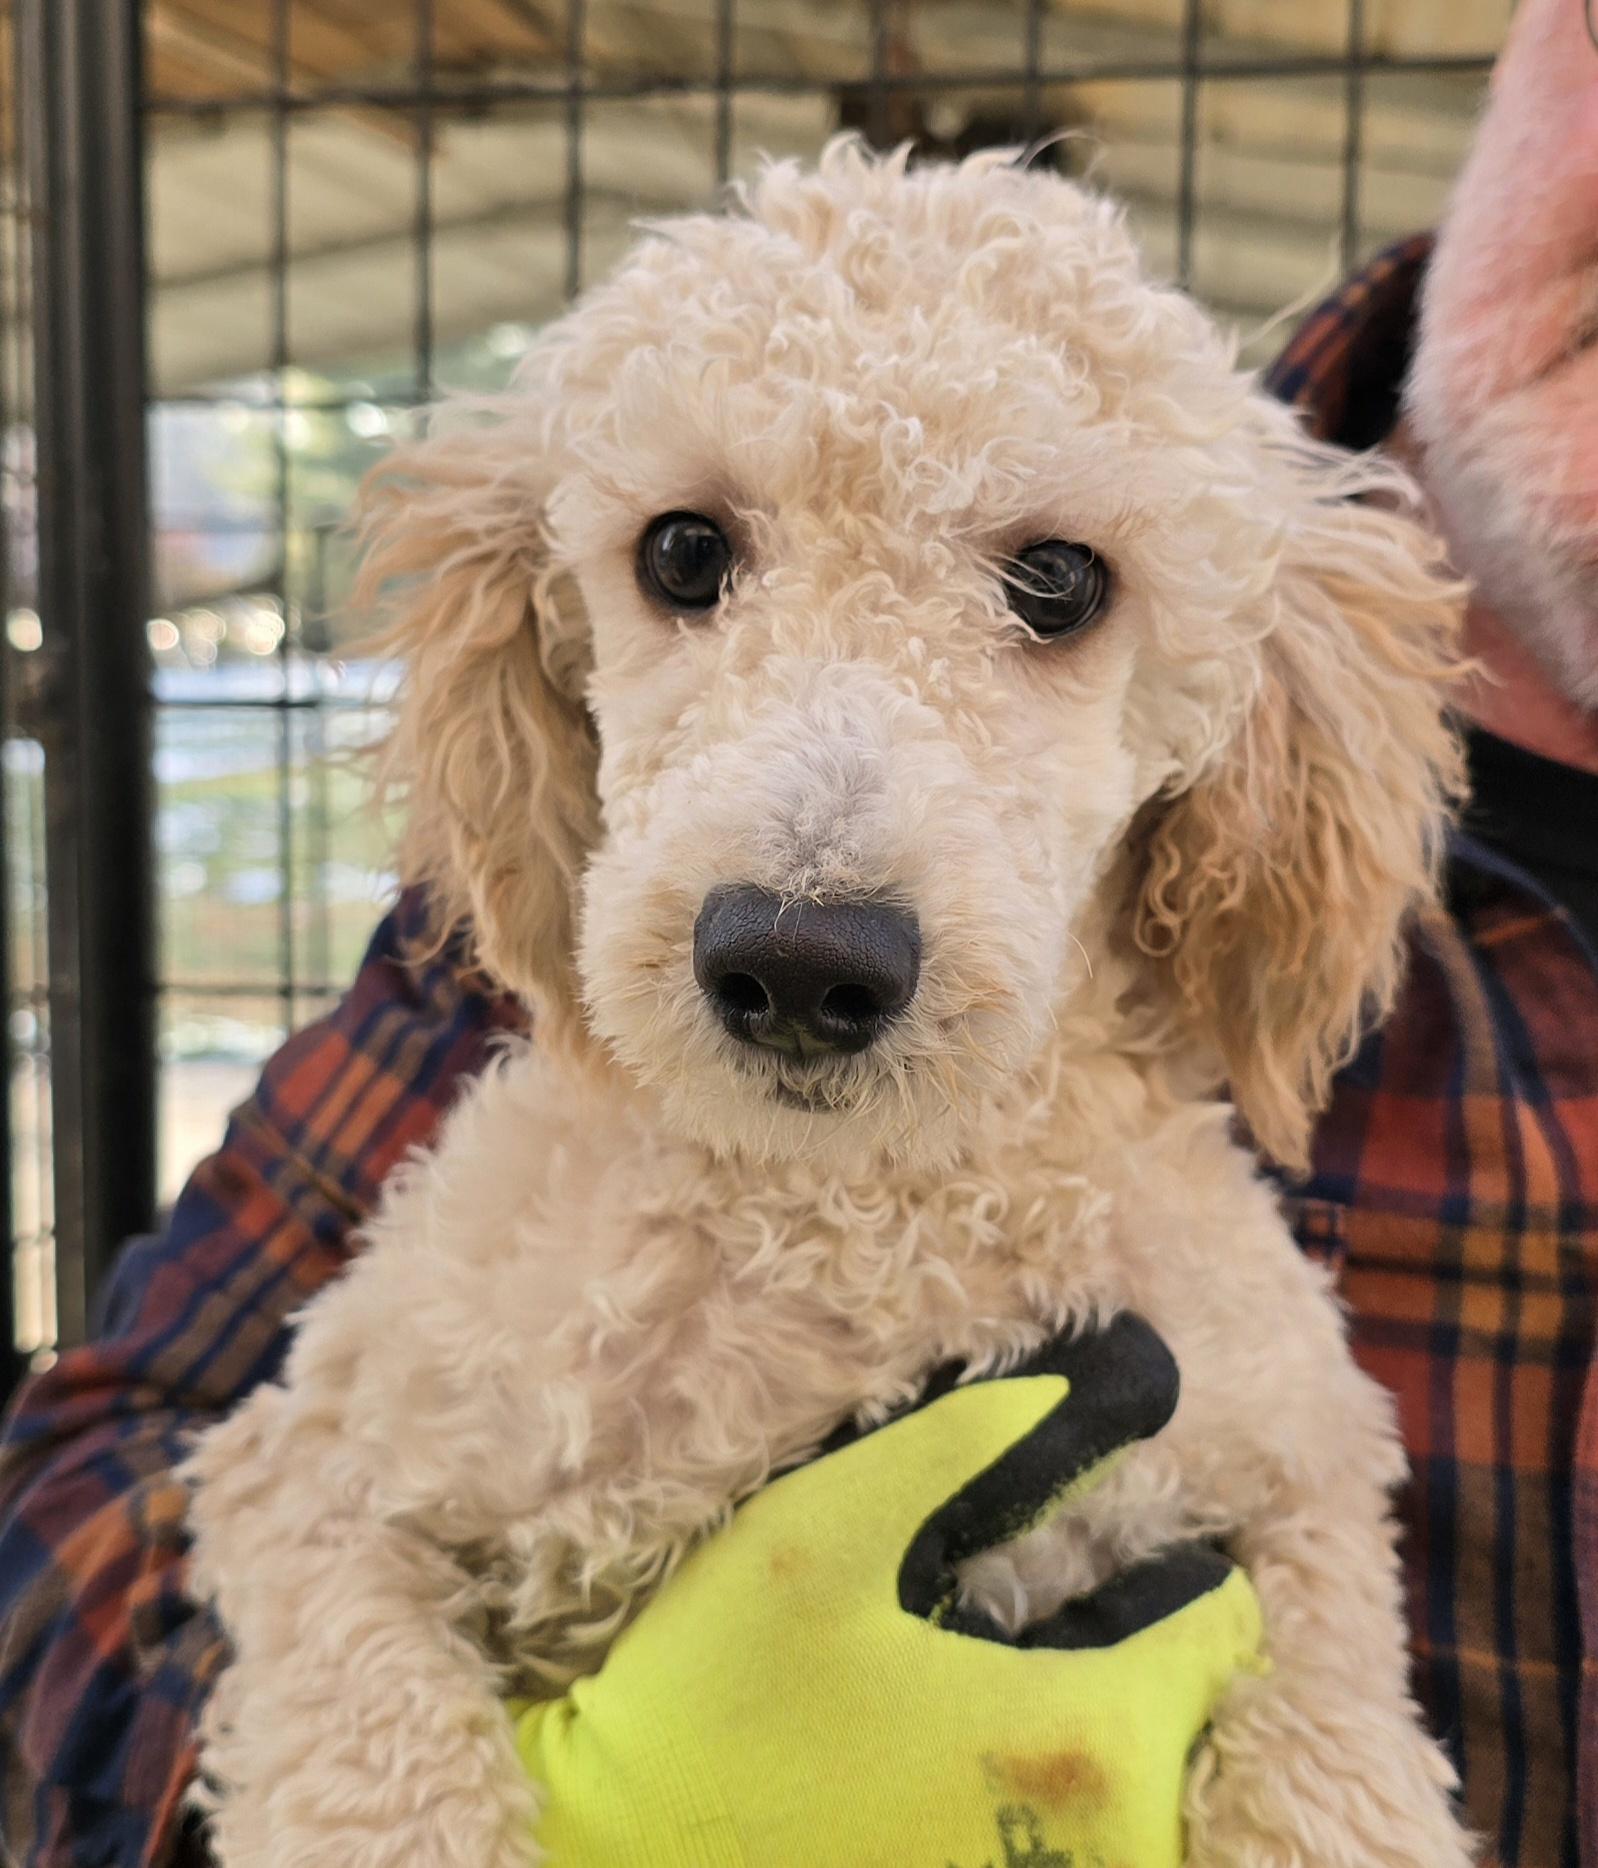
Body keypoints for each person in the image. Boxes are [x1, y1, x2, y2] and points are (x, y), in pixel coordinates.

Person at [2, 0, 1595, 1860]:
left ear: (1241, 722)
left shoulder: (1224, 1247)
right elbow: (163, 1476)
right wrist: (518, 1813)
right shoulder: (513, 1035)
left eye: (1050, 589)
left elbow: (1315, 1523)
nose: (808, 886)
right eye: (688, 561)